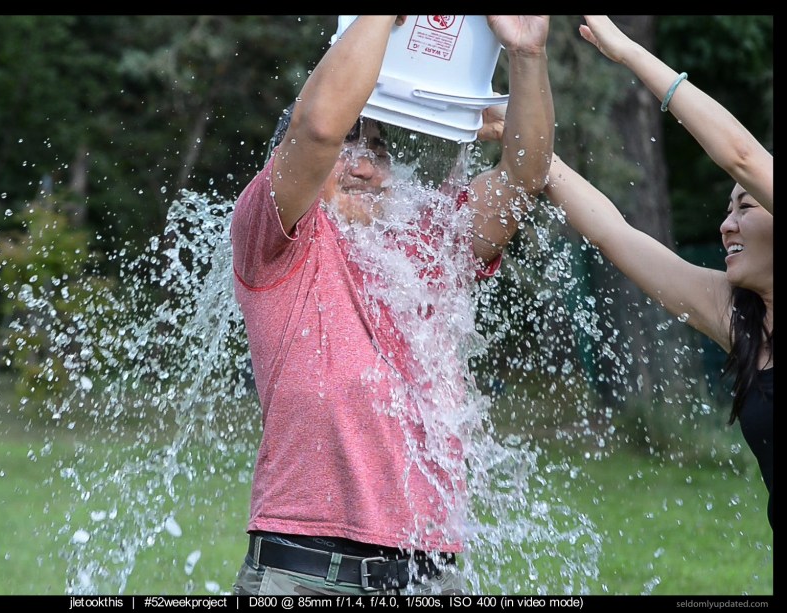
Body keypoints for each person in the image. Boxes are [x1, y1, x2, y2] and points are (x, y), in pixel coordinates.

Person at [229, 15, 554, 595]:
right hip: (306, 570)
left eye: (377, 148)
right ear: (291, 162)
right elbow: (320, 126)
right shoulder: (277, 241)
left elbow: (522, 179)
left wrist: (527, 54)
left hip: (430, 573)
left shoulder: (421, 242)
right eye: (348, 147)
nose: (363, 164)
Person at [538, 16, 772, 529]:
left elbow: (743, 157)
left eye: (747, 208)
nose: (726, 224)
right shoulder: (742, 322)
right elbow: (616, 236)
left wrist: (625, 51)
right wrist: (538, 156)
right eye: (729, 210)